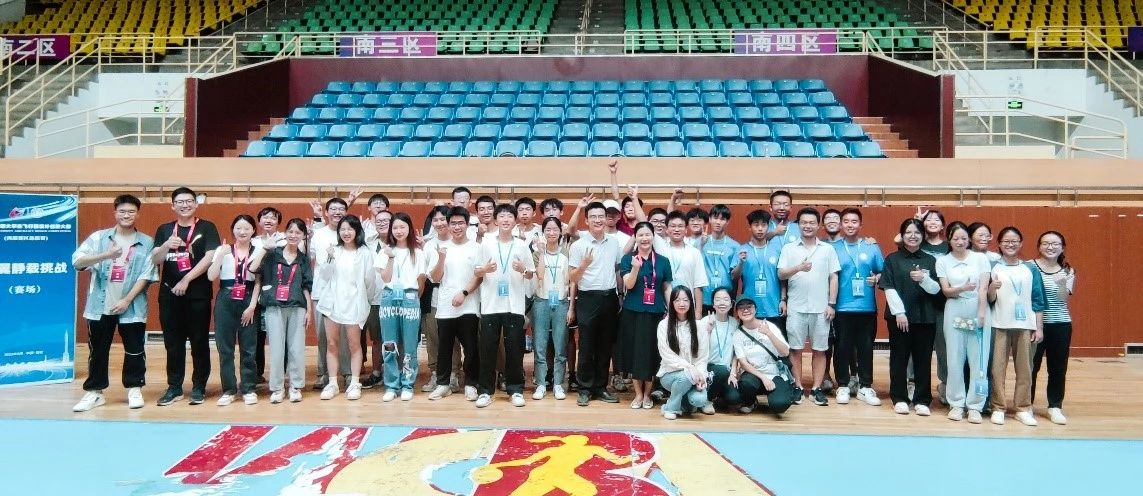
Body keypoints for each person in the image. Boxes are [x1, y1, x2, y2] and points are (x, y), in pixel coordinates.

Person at [71, 194, 157, 412]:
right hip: (100, 306)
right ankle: (95, 392)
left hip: (132, 305)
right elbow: (77, 261)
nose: (126, 215)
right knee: (98, 351)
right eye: (122, 211)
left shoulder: (147, 242)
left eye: (131, 211)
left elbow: (147, 274)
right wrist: (105, 255)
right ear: (115, 213)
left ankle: (134, 388)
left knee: (135, 350)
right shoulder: (99, 238)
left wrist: (127, 300)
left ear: (137, 214)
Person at [150, 187, 221, 406]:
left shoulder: (207, 227)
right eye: (180, 202)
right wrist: (165, 245)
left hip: (197, 294)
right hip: (169, 294)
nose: (185, 205)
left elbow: (210, 257)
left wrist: (187, 279)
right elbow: (155, 259)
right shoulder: (164, 229)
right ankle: (174, 387)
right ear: (173, 206)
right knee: (173, 343)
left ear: (196, 204)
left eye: (189, 201)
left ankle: (199, 386)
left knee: (199, 342)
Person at [474, 204, 536, 408]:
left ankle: (515, 389)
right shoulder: (486, 243)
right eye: (502, 216)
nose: (506, 220)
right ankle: (485, 391)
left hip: (514, 305)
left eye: (510, 216)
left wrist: (523, 269)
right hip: (491, 305)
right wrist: (484, 269)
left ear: (515, 220)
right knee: (488, 350)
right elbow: (476, 271)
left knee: (515, 350)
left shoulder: (521, 245)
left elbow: (530, 274)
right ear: (496, 220)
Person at [777, 207, 840, 406]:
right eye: (804, 222)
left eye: (812, 222)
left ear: (818, 225)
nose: (808, 226)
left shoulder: (827, 249)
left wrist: (831, 304)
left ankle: (816, 389)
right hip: (796, 307)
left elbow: (833, 277)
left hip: (821, 309)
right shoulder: (789, 248)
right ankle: (797, 386)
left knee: (819, 350)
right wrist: (799, 268)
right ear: (798, 225)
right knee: (795, 349)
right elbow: (781, 274)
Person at [880, 218, 942, 416]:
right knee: (899, 359)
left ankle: (922, 400)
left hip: (925, 318)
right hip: (899, 319)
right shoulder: (892, 259)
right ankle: (899, 398)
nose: (912, 236)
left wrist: (925, 280)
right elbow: (888, 287)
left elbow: (936, 290)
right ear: (902, 235)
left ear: (922, 235)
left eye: (917, 232)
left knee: (923, 360)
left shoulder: (931, 260)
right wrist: (899, 313)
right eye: (908, 232)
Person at [987, 226, 1047, 427]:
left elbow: (1038, 299)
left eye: (1014, 241)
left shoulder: (1030, 269)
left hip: (1025, 326)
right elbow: (989, 299)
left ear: (1021, 244)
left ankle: (1023, 408)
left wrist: (1039, 327)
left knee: (1025, 369)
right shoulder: (993, 267)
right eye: (1006, 241)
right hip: (999, 324)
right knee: (997, 369)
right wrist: (992, 289)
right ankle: (998, 407)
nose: (1010, 244)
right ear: (999, 244)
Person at [936, 222, 992, 424]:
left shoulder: (980, 258)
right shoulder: (943, 261)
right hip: (955, 309)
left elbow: (983, 288)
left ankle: (976, 405)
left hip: (977, 308)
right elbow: (946, 291)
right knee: (954, 358)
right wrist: (962, 288)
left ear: (969, 239)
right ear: (949, 240)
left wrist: (981, 313)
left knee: (979, 360)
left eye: (963, 238)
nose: (960, 242)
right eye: (955, 238)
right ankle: (956, 403)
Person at [252, 218, 312, 404]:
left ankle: (295, 386)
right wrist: (265, 248)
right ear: (285, 233)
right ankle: (277, 388)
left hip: (297, 307)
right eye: (290, 231)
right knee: (277, 350)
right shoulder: (272, 254)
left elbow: (306, 286)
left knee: (296, 349)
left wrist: (309, 310)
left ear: (303, 236)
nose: (294, 235)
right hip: (274, 306)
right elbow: (252, 268)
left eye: (298, 232)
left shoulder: (303, 259)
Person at [315, 215, 375, 401]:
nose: (346, 232)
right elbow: (324, 275)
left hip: (354, 304)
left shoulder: (364, 253)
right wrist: (329, 258)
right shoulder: (334, 250)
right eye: (343, 229)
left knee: (354, 344)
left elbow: (369, 281)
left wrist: (366, 302)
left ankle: (354, 382)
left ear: (357, 231)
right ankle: (333, 383)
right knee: (332, 344)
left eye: (350, 229)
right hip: (333, 304)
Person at [568, 201, 622, 406]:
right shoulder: (578, 245)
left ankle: (600, 387)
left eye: (601, 216)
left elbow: (617, 270)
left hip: (609, 297)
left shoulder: (614, 242)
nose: (598, 220)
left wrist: (620, 296)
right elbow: (573, 277)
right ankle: (584, 388)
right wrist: (583, 265)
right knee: (587, 345)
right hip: (588, 298)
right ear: (587, 220)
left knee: (605, 345)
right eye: (593, 217)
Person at [207, 215, 264, 406]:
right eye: (238, 228)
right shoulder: (223, 250)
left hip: (248, 298)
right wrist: (220, 256)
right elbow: (211, 276)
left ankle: (248, 388)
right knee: (225, 348)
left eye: (247, 228)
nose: (242, 232)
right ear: (233, 230)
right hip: (226, 297)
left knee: (249, 348)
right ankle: (229, 390)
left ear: (253, 231)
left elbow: (258, 281)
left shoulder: (258, 251)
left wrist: (252, 306)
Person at [427, 207, 483, 402]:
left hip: (469, 306)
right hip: (445, 307)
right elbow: (435, 278)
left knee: (471, 348)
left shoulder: (476, 248)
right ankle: (443, 384)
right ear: (448, 225)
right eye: (453, 223)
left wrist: (464, 293)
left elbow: (479, 277)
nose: (457, 227)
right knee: (444, 348)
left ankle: (471, 384)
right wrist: (441, 258)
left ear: (467, 225)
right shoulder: (441, 248)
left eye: (460, 223)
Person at [829, 208, 884, 407]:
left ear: (860, 225)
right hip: (842, 307)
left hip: (866, 307)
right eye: (846, 221)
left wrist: (876, 278)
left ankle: (865, 386)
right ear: (840, 225)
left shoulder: (872, 247)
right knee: (841, 347)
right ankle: (843, 385)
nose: (850, 225)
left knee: (866, 348)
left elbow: (883, 272)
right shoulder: (832, 248)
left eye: (854, 221)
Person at [619, 222, 674, 410]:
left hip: (655, 313)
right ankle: (638, 394)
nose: (644, 238)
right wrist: (635, 268)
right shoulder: (628, 259)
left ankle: (648, 394)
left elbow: (666, 287)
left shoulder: (663, 261)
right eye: (640, 235)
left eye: (647, 234)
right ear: (635, 237)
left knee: (652, 353)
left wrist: (671, 310)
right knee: (635, 353)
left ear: (653, 237)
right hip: (633, 312)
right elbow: (629, 285)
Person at [375, 212, 428, 402]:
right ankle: (391, 385)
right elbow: (386, 278)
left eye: (402, 227)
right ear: (391, 230)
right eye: (395, 227)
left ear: (409, 229)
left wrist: (413, 299)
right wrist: (390, 258)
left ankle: (407, 384)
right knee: (389, 343)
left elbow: (421, 281)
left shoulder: (418, 253)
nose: (399, 231)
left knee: (410, 344)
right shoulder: (384, 251)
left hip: (410, 296)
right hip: (389, 297)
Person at [308, 198, 352, 391]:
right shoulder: (318, 234)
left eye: (341, 209)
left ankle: (348, 373)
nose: (337, 212)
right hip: (322, 291)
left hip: (345, 292)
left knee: (346, 336)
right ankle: (323, 373)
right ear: (326, 213)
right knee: (323, 336)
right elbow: (310, 258)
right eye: (333, 209)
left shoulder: (350, 232)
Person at [1031, 230, 1074, 425]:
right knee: (1031, 367)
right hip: (1034, 325)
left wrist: (1062, 283)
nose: (1050, 247)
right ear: (1039, 246)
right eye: (1046, 243)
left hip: (1060, 325)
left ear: (1062, 248)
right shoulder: (1029, 267)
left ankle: (1055, 406)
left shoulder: (1068, 270)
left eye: (1055, 244)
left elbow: (1062, 299)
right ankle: (1026, 405)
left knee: (1057, 368)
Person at [420, 206, 461, 393]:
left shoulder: (458, 242)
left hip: (456, 297)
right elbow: (426, 274)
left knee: (453, 338)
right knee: (433, 337)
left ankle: (453, 374)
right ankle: (436, 373)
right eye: (435, 220)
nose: (439, 223)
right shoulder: (429, 245)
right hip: (433, 296)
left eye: (443, 219)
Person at [656, 286, 711, 420]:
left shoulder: (699, 326)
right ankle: (671, 408)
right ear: (672, 303)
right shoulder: (664, 325)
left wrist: (700, 376)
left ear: (691, 302)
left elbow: (702, 358)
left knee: (699, 400)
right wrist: (690, 368)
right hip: (670, 374)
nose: (682, 304)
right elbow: (667, 355)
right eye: (677, 300)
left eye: (685, 300)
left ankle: (682, 404)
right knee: (686, 377)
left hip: (694, 375)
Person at [532, 217, 573, 401]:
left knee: (560, 346)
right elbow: (540, 275)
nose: (551, 233)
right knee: (540, 346)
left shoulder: (567, 254)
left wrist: (571, 307)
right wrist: (542, 252)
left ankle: (558, 384)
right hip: (541, 302)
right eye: (547, 230)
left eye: (555, 229)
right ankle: (541, 384)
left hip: (561, 302)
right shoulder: (537, 254)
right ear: (543, 233)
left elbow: (572, 282)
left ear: (560, 232)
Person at [732, 297, 794, 415]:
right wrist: (763, 378)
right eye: (741, 308)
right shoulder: (738, 334)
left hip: (774, 373)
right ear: (737, 313)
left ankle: (778, 393)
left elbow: (785, 352)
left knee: (780, 405)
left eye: (749, 306)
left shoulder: (768, 326)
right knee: (745, 384)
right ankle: (751, 402)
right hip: (754, 374)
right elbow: (743, 363)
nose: (745, 310)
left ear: (755, 309)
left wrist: (769, 333)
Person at [733, 209, 787, 333]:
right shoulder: (742, 249)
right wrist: (741, 263)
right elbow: (734, 277)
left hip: (773, 308)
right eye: (756, 225)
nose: (760, 229)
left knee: (775, 343)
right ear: (750, 227)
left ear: (768, 227)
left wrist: (783, 300)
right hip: (749, 309)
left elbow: (782, 278)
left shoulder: (777, 250)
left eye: (763, 225)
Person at [252, 206, 285, 385]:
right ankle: (257, 372)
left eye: (273, 217)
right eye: (265, 217)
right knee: (257, 335)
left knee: (280, 335)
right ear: (259, 222)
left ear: (278, 222)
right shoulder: (253, 241)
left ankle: (281, 373)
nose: (268, 220)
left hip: (279, 292)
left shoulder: (285, 239)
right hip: (256, 291)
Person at [361, 209, 392, 389]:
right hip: (374, 298)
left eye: (386, 220)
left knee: (394, 338)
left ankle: (393, 371)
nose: (382, 223)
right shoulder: (368, 244)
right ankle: (376, 372)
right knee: (377, 338)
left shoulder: (400, 243)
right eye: (378, 221)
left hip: (395, 298)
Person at [700, 287, 742, 410]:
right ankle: (706, 400)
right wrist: (708, 331)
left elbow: (736, 352)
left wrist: (733, 373)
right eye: (718, 299)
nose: (722, 303)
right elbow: (699, 350)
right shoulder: (705, 321)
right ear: (713, 304)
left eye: (726, 299)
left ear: (731, 304)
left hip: (726, 371)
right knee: (721, 371)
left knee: (735, 398)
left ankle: (716, 397)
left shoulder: (735, 323)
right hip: (707, 368)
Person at [660, 211, 708, 310]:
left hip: (688, 307)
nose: (676, 229)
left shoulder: (694, 252)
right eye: (673, 226)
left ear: (686, 230)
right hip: (664, 308)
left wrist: (698, 312)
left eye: (680, 226)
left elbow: (699, 285)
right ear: (667, 229)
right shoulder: (660, 251)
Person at [698, 204, 738, 315]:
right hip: (703, 298)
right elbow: (694, 266)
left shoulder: (734, 246)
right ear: (710, 219)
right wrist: (701, 246)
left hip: (724, 300)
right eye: (715, 218)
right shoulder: (700, 242)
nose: (718, 222)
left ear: (727, 222)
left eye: (722, 219)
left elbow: (735, 276)